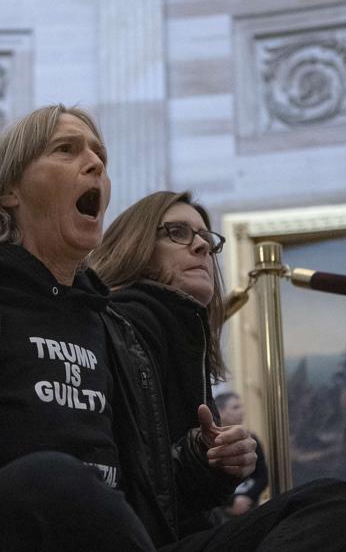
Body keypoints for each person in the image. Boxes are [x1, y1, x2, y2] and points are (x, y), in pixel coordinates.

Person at [0, 104, 346, 551]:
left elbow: (151, 489)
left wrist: (203, 461)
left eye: (100, 154)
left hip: (123, 538)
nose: (96, 164)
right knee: (54, 479)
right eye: (66, 150)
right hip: (2, 531)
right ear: (8, 190)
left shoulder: (113, 328)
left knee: (338, 506)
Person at [89, 189, 240, 532]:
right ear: (134, 246)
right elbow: (134, 486)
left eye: (205, 237)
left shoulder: (186, 330)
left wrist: (222, 460)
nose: (202, 247)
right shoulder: (117, 325)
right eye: (178, 232)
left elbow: (179, 492)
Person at [215, 393, 268, 519]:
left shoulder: (251, 439)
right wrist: (231, 502)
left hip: (249, 507)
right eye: (235, 407)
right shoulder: (212, 443)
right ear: (221, 412)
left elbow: (263, 476)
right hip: (220, 511)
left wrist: (247, 497)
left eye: (241, 406)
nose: (242, 411)